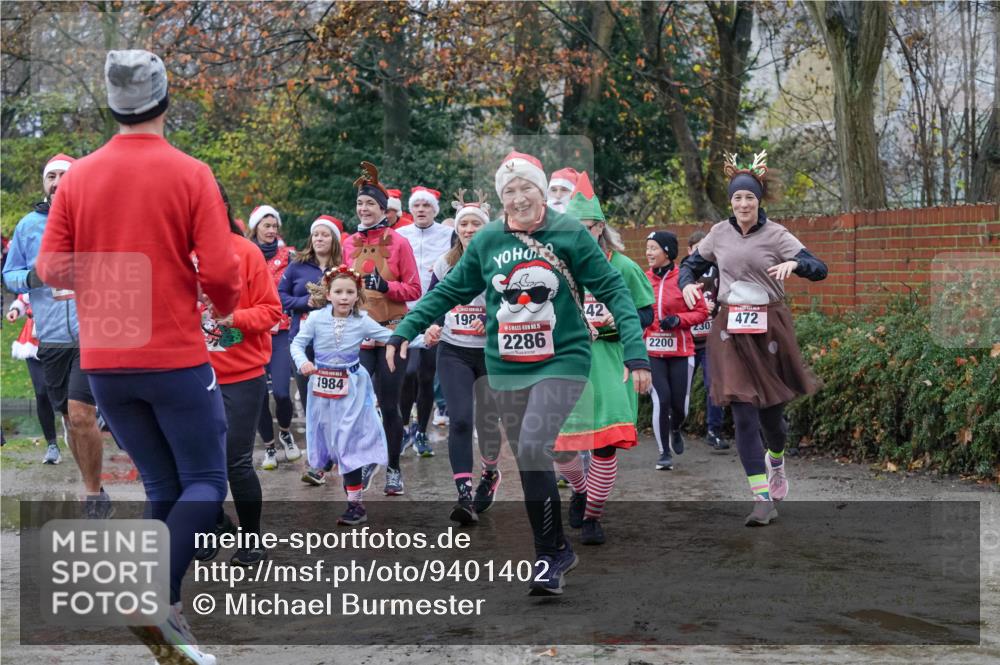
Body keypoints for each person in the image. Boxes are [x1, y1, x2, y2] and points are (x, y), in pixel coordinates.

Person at [37, 49, 239, 665]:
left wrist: (114, 277)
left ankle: (168, 617)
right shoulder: (191, 172)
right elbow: (225, 269)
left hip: (105, 359)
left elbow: (48, 267)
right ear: (165, 99)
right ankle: (147, 595)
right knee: (207, 479)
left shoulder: (77, 177)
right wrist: (223, 307)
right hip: (174, 353)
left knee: (163, 482)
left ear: (111, 103)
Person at [388, 151, 651, 596]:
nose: (518, 196)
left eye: (526, 187)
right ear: (501, 197)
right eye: (509, 191)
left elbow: (613, 291)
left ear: (541, 190)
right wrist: (408, 328)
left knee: (532, 444)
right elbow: (452, 288)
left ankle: (547, 557)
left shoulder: (569, 234)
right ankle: (556, 549)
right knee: (532, 458)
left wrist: (636, 354)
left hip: (563, 360)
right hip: (505, 367)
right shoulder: (488, 239)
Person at [679, 151, 827, 526]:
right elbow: (691, 264)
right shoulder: (718, 233)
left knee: (771, 418)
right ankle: (762, 499)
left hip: (770, 326)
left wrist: (796, 263)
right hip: (730, 328)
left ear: (758, 201)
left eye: (749, 197)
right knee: (743, 412)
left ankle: (775, 461)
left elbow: (819, 268)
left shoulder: (777, 234)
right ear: (730, 202)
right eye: (737, 198)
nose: (743, 204)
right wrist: (687, 286)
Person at [3, 152, 111, 512]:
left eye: (65, 175)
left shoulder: (96, 219)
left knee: (81, 414)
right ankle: (93, 487)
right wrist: (31, 278)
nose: (57, 182)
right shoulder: (27, 226)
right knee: (69, 419)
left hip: (91, 332)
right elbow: (9, 273)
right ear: (45, 184)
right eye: (51, 177)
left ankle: (94, 495)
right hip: (49, 337)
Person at [552, 173, 655, 545]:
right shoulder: (557, 266)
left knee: (604, 443)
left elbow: (646, 314)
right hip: (567, 362)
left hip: (611, 362)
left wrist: (617, 320)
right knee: (557, 441)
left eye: (585, 227)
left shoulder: (624, 267)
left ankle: (593, 515)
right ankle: (579, 489)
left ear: (599, 228)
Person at [292, 266, 427, 525]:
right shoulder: (316, 319)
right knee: (328, 442)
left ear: (357, 296)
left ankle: (355, 505)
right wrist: (303, 363)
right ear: (328, 294)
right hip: (321, 387)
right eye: (338, 292)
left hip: (352, 389)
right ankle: (336, 473)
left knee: (348, 443)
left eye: (350, 292)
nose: (344, 297)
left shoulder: (362, 320)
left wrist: (425, 339)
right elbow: (297, 344)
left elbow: (393, 338)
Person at [195, 182, 281, 567]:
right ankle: (212, 525)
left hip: (240, 375)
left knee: (235, 462)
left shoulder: (245, 252)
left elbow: (271, 311)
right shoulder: (180, 254)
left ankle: (251, 541)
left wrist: (234, 319)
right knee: (194, 461)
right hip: (190, 375)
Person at [421, 190, 503, 525]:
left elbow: (516, 303)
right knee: (460, 419)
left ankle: (490, 474)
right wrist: (432, 326)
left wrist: (495, 318)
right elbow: (433, 303)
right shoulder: (446, 263)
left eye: (476, 224)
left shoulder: (499, 261)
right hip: (454, 350)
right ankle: (464, 495)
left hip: (491, 353)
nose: (469, 229)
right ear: (457, 229)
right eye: (464, 224)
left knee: (487, 420)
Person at [341, 162, 421, 495]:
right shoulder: (348, 242)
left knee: (389, 405)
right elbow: (341, 286)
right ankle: (358, 467)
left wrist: (386, 287)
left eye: (370, 204)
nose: (364, 209)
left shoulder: (399, 243)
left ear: (382, 208)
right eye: (360, 204)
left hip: (391, 334)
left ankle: (393, 468)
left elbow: (415, 289)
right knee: (356, 405)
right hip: (358, 336)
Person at [279, 216, 343, 482]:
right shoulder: (297, 266)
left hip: (335, 345)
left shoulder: (344, 268)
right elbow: (281, 297)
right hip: (302, 345)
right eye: (315, 234)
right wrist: (307, 302)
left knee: (334, 402)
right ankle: (317, 462)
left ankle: (337, 454)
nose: (318, 239)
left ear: (334, 240)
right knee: (310, 403)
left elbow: (354, 299)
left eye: (324, 235)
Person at [396, 186, 455, 457]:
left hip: (435, 311)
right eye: (416, 205)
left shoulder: (447, 235)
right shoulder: (399, 235)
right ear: (410, 209)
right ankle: (405, 426)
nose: (421, 210)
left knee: (426, 375)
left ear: (435, 210)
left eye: (426, 206)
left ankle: (421, 431)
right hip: (404, 311)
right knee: (407, 374)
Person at [644, 231, 709, 471]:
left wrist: (678, 320)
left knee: (680, 405)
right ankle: (663, 453)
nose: (648, 253)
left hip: (682, 352)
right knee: (661, 399)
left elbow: (702, 312)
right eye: (647, 248)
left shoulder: (684, 278)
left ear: (668, 252)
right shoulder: (643, 279)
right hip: (652, 352)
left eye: (653, 248)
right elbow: (634, 311)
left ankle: (675, 428)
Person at [247, 204, 302, 466]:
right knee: (257, 394)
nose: (271, 230)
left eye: (274, 226)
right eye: (266, 225)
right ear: (255, 227)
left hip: (280, 331)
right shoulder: (245, 253)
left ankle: (284, 433)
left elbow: (300, 283)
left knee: (282, 392)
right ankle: (269, 446)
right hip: (252, 331)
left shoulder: (289, 255)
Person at [683, 230, 729, 451]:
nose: (702, 253)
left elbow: (727, 295)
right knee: (680, 390)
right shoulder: (681, 272)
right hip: (687, 340)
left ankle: (714, 430)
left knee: (715, 385)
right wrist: (697, 307)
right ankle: (674, 428)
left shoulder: (719, 269)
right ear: (689, 250)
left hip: (711, 340)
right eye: (697, 249)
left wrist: (716, 309)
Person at [6, 294, 59, 461]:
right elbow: (23, 298)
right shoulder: (34, 274)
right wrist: (15, 310)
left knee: (65, 393)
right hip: (32, 341)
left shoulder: (67, 273)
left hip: (62, 338)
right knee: (42, 392)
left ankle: (77, 433)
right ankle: (52, 445)